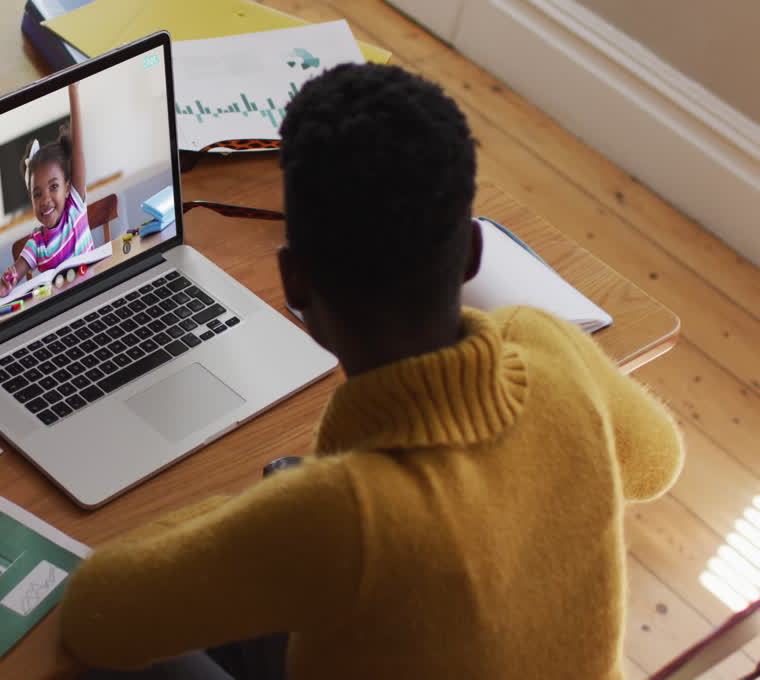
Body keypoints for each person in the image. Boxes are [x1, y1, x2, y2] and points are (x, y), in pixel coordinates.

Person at [57, 63, 684, 679]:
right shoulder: (548, 344)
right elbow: (658, 463)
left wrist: (261, 512)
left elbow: (94, 614)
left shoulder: (337, 517)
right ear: (470, 251)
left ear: (294, 281)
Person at [0, 83, 93, 296]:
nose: (45, 199)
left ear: (67, 188)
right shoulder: (36, 243)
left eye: (54, 187)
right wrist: (8, 281)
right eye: (37, 194)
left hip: (94, 295)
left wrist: (73, 90)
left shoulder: (75, 207)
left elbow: (78, 149)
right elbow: (17, 271)